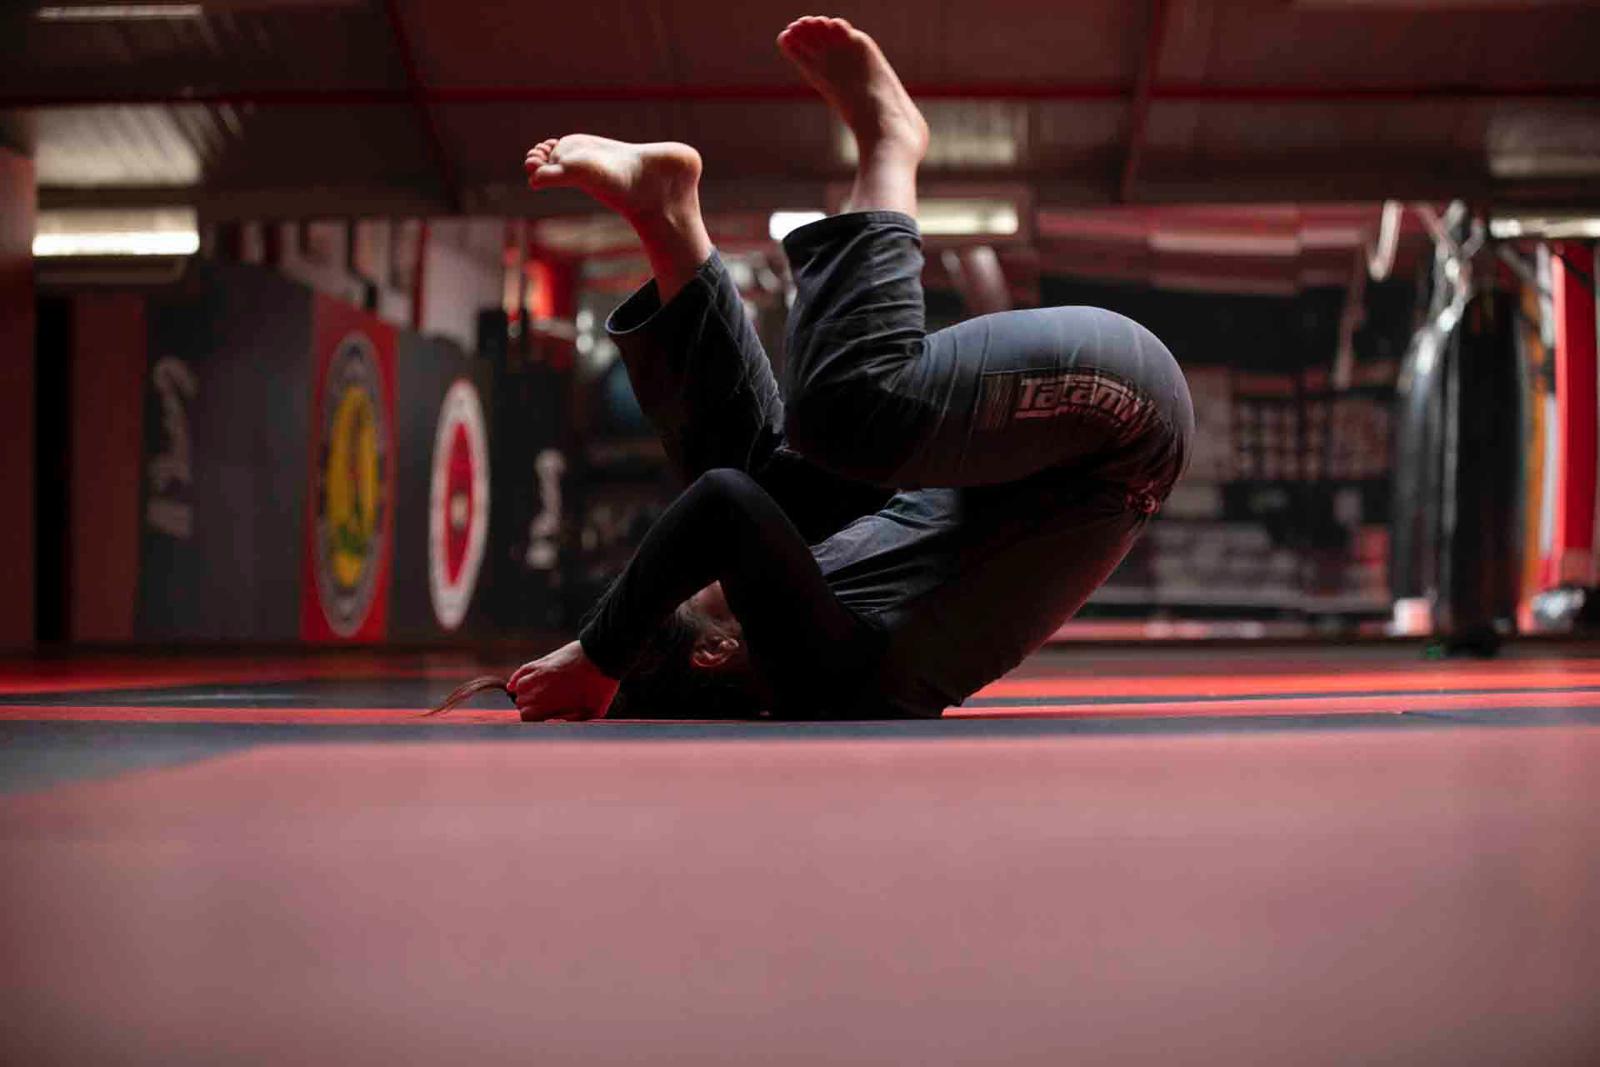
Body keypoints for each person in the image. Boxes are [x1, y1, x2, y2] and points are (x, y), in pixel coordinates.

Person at [507, 15, 1193, 722]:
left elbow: (739, 485)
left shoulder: (834, 614)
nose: (709, 577)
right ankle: (891, 145)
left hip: (1047, 444)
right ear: (714, 652)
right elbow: (720, 506)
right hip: (1122, 430)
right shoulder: (825, 676)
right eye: (695, 592)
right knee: (849, 412)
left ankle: (666, 218)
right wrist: (601, 655)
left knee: (771, 467)